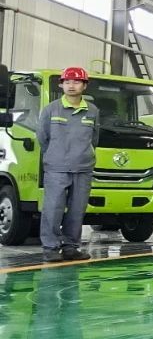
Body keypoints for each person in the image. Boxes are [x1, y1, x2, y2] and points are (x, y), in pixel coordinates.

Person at [36, 66, 99, 263]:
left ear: (84, 86)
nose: (71, 85)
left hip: (83, 168)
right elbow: (42, 137)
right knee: (53, 208)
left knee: (77, 209)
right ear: (61, 85)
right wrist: (55, 155)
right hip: (57, 168)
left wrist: (84, 156)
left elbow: (94, 139)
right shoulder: (51, 109)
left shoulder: (92, 111)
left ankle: (71, 247)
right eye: (67, 82)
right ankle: (50, 248)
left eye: (76, 82)